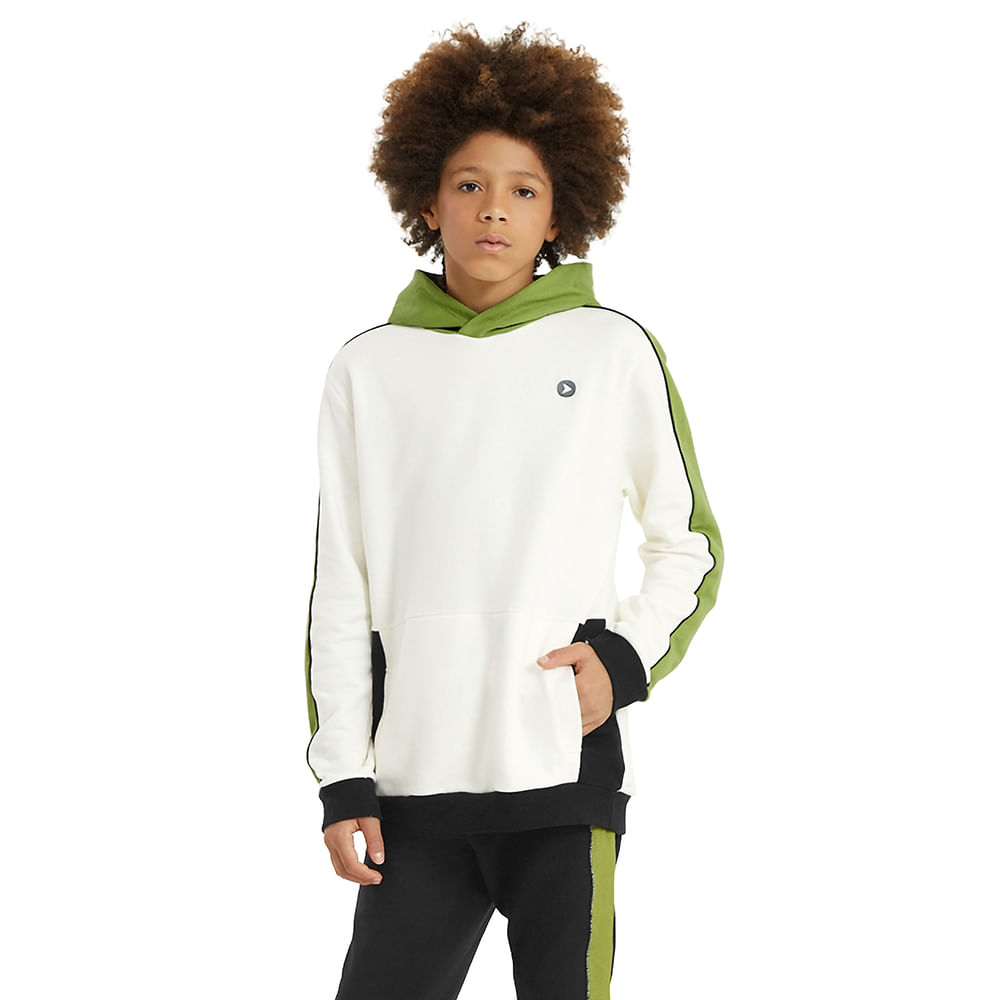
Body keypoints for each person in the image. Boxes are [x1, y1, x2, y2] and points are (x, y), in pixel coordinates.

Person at [304, 23, 724, 1000]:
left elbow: (691, 544)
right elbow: (339, 591)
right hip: (411, 788)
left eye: (524, 190)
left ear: (559, 211)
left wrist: (623, 659)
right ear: (427, 201)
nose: (494, 208)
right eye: (469, 184)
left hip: (559, 776)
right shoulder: (368, 369)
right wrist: (342, 776)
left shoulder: (612, 349)